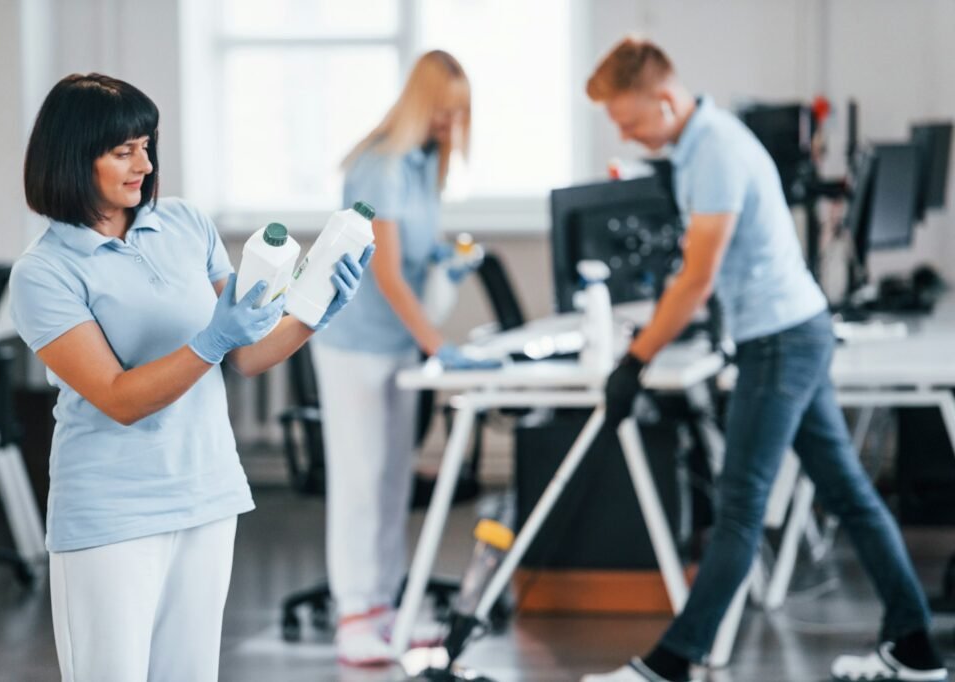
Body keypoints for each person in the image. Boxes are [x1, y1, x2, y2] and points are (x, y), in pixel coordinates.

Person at [579, 38, 946, 682]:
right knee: (849, 495)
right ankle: (914, 648)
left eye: (629, 119)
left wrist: (634, 360)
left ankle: (671, 665)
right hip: (788, 333)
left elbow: (697, 278)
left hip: (780, 341)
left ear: (664, 99)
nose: (627, 134)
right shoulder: (702, 147)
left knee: (742, 505)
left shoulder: (715, 150)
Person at [9, 73, 373, 682]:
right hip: (112, 510)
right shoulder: (44, 272)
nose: (144, 165)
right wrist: (211, 339)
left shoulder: (183, 224)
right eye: (123, 151)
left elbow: (246, 355)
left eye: (147, 145)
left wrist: (312, 316)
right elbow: (119, 398)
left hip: (205, 492)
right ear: (73, 158)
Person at [311, 49, 495, 666]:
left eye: (458, 115)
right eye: (443, 113)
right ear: (421, 106)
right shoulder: (379, 168)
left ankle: (387, 606)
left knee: (392, 479)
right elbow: (386, 273)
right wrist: (439, 346)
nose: (450, 126)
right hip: (355, 343)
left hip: (395, 345)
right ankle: (353, 612)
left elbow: (413, 251)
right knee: (360, 479)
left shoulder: (422, 167)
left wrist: (444, 259)